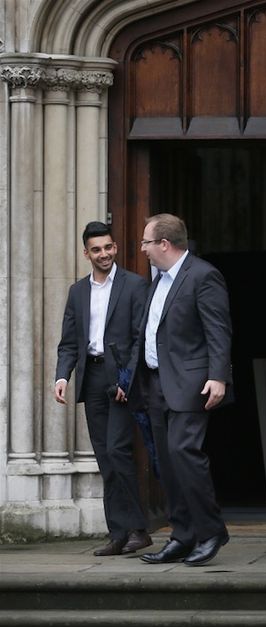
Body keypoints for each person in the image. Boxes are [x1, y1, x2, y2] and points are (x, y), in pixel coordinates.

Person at [134, 213, 233, 566]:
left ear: (164, 243)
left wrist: (218, 376)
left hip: (191, 383)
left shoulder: (203, 276)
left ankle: (211, 532)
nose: (142, 248)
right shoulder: (157, 280)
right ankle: (183, 534)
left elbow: (218, 330)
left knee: (184, 453)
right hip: (156, 382)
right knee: (168, 462)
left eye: (146, 241)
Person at [55, 221, 153, 556]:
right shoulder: (77, 292)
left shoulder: (135, 286)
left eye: (108, 247)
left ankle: (139, 528)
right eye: (96, 249)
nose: (104, 254)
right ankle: (119, 533)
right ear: (86, 254)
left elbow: (141, 337)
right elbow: (69, 341)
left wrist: (128, 378)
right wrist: (61, 376)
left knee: (117, 450)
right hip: (91, 379)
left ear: (115, 248)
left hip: (120, 380)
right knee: (104, 458)